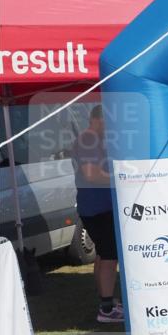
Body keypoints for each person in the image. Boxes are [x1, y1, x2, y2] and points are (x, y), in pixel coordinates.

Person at [72, 106, 122, 323]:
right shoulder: (88, 140)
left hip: (97, 207)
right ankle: (107, 310)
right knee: (110, 256)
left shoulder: (92, 140)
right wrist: (120, 178)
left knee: (103, 255)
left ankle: (107, 301)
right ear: (99, 119)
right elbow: (91, 174)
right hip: (97, 207)